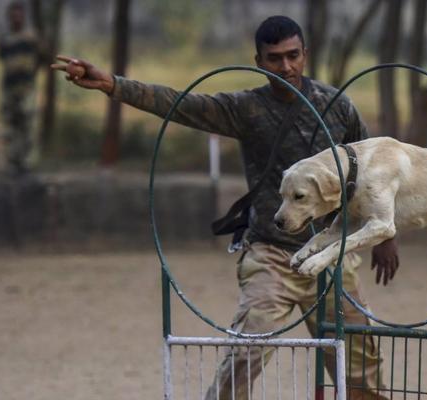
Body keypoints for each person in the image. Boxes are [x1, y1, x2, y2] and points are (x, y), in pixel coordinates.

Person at [52, 15, 397, 400]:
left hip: (333, 253)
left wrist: (384, 233)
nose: (286, 66)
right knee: (246, 353)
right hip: (272, 254)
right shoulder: (246, 108)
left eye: (293, 56)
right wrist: (112, 85)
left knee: (361, 365)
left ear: (305, 54)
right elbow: (181, 105)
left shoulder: (337, 106)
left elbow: (371, 169)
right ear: (258, 61)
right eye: (274, 58)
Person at [0, 1, 42, 178]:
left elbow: (42, 57)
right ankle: (12, 164)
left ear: (23, 17)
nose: (16, 18)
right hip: (9, 88)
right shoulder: (4, 39)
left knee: (28, 126)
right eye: (13, 15)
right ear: (9, 17)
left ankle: (27, 165)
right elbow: (1, 58)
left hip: (27, 88)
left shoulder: (31, 37)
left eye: (19, 14)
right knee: (10, 127)